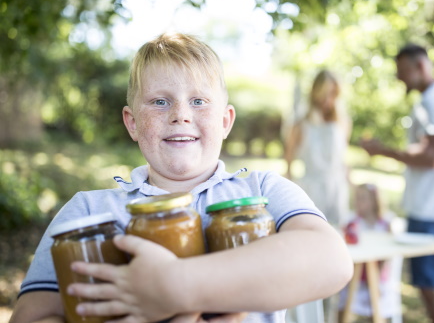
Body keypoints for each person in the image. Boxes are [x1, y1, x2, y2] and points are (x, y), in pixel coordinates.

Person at [10, 33, 353, 323]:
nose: (181, 115)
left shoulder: (263, 191)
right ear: (131, 122)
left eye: (199, 101)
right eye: (160, 102)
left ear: (225, 121)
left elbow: (332, 261)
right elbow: (32, 315)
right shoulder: (88, 212)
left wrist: (175, 287)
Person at [360, 44, 434, 323]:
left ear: (420, 67)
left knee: (431, 288)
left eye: (403, 71)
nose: (400, 79)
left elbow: (433, 157)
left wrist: (382, 151)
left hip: (431, 209)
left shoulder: (432, 102)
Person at [284, 69, 352, 227]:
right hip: (311, 190)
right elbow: (288, 161)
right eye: (325, 93)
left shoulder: (343, 122)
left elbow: (343, 158)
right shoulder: (300, 123)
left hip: (337, 189)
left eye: (333, 94)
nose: (329, 100)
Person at [338, 184, 400, 322]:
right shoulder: (353, 223)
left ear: (374, 201)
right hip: (355, 274)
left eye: (363, 198)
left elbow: (387, 255)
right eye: (357, 198)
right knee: (345, 304)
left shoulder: (384, 224)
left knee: (377, 307)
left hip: (378, 275)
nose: (358, 202)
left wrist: (377, 277)